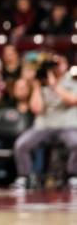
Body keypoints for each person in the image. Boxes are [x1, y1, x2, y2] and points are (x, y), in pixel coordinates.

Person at [11, 58, 77, 191]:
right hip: (43, 126)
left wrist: (55, 86)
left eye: (59, 64)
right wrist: (36, 86)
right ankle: (24, 177)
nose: (56, 67)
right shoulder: (41, 83)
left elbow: (73, 100)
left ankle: (73, 176)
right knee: (21, 144)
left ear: (65, 65)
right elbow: (36, 109)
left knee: (76, 143)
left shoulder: (72, 80)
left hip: (67, 125)